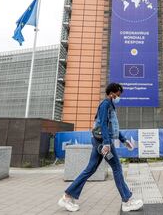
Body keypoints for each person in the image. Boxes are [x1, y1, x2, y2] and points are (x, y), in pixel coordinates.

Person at [58, 83, 144, 212]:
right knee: (117, 168)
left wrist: (124, 140)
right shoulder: (105, 104)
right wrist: (107, 144)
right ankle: (127, 201)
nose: (119, 97)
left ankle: (67, 196)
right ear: (112, 93)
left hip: (100, 142)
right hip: (102, 143)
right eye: (118, 95)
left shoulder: (110, 105)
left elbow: (112, 127)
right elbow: (103, 124)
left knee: (90, 169)